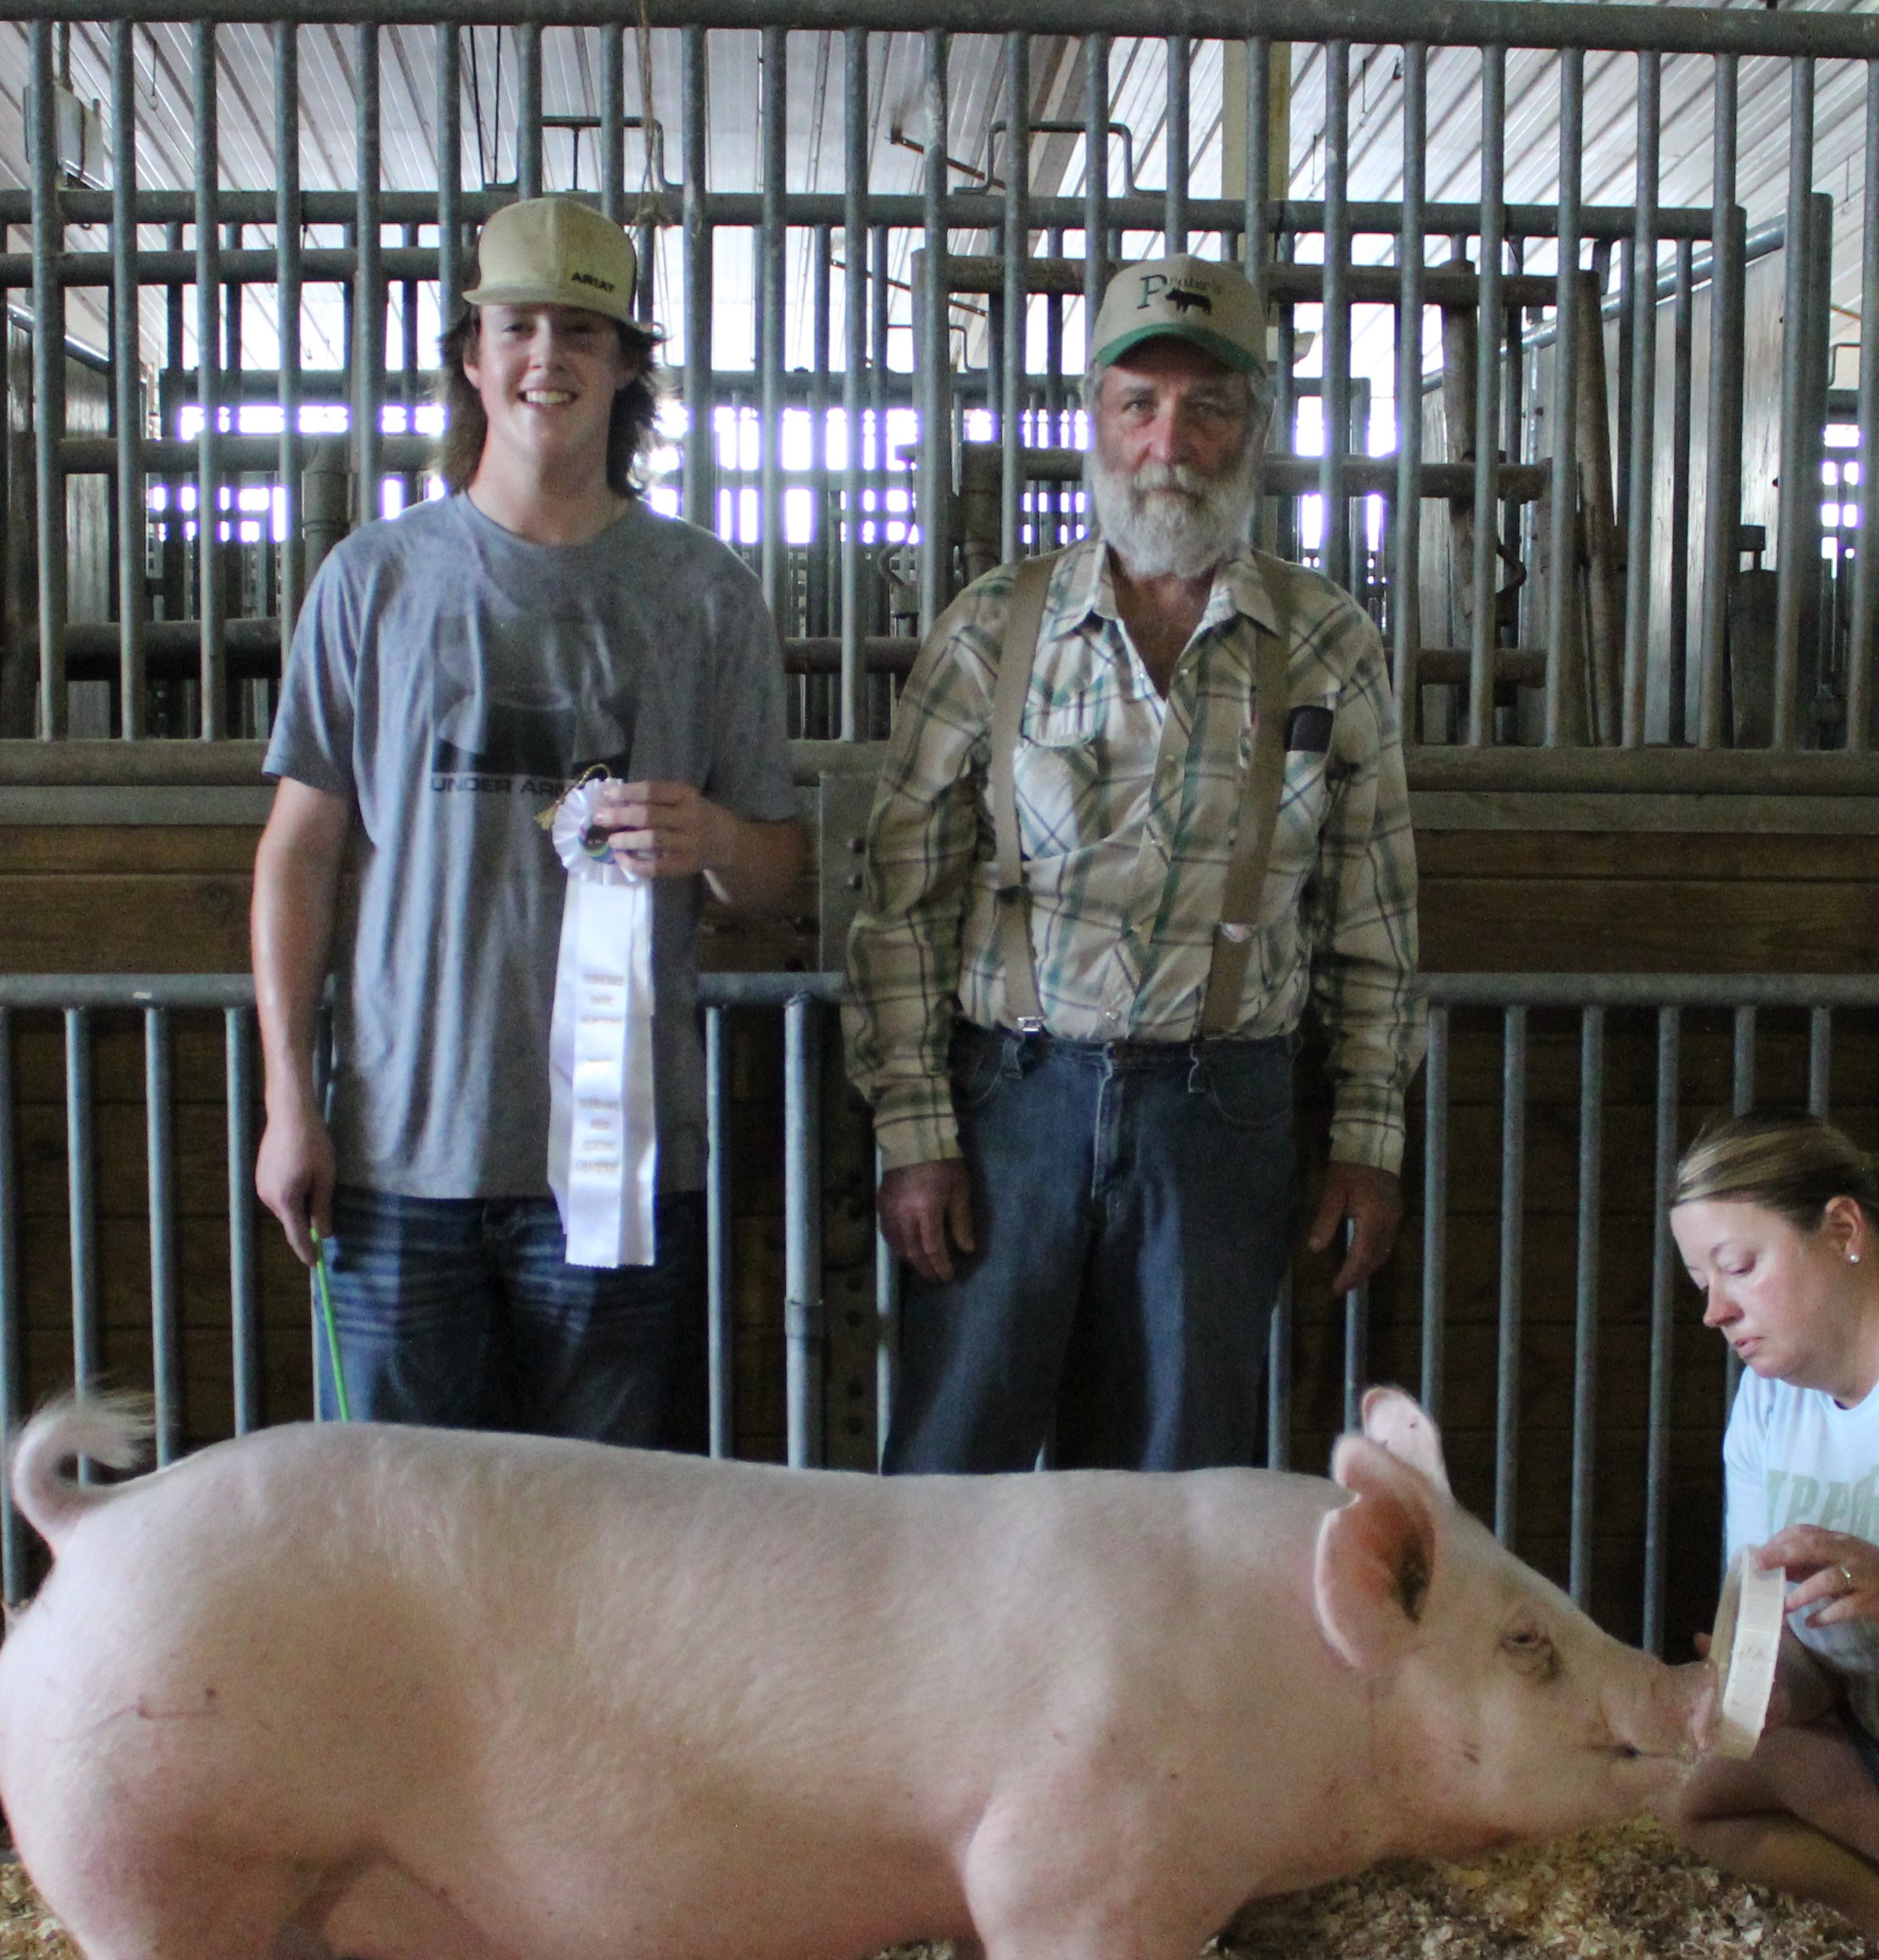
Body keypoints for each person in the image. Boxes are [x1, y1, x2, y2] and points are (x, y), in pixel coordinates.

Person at [842, 252, 1421, 1475]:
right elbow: (897, 902)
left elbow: (1372, 917)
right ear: (1092, 421)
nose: (1171, 440)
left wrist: (1368, 1133)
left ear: (1254, 428)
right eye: (1138, 404)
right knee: (954, 1479)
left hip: (1223, 1117)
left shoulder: (1327, 642)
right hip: (1011, 1105)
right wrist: (914, 1128)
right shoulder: (993, 626)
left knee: (1180, 1496)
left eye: (1208, 407)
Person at [253, 196, 804, 1444]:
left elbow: (775, 872)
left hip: (618, 1177)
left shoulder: (707, 594)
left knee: (607, 1558)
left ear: (624, 368)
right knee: (396, 1546)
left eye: (581, 331)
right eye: (518, 326)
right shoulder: (372, 580)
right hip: (400, 1159)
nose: (546, 357)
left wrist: (714, 839)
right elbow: (300, 849)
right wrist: (294, 1100)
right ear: (471, 352)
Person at [1664, 1111, 1879, 1960]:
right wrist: (1758, 1683)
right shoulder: (1770, 1397)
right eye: (1701, 1282)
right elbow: (1758, 1605)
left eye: (1738, 1267)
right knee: (1699, 1790)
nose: (1713, 1308)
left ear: (1843, 1230)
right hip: (1860, 1705)